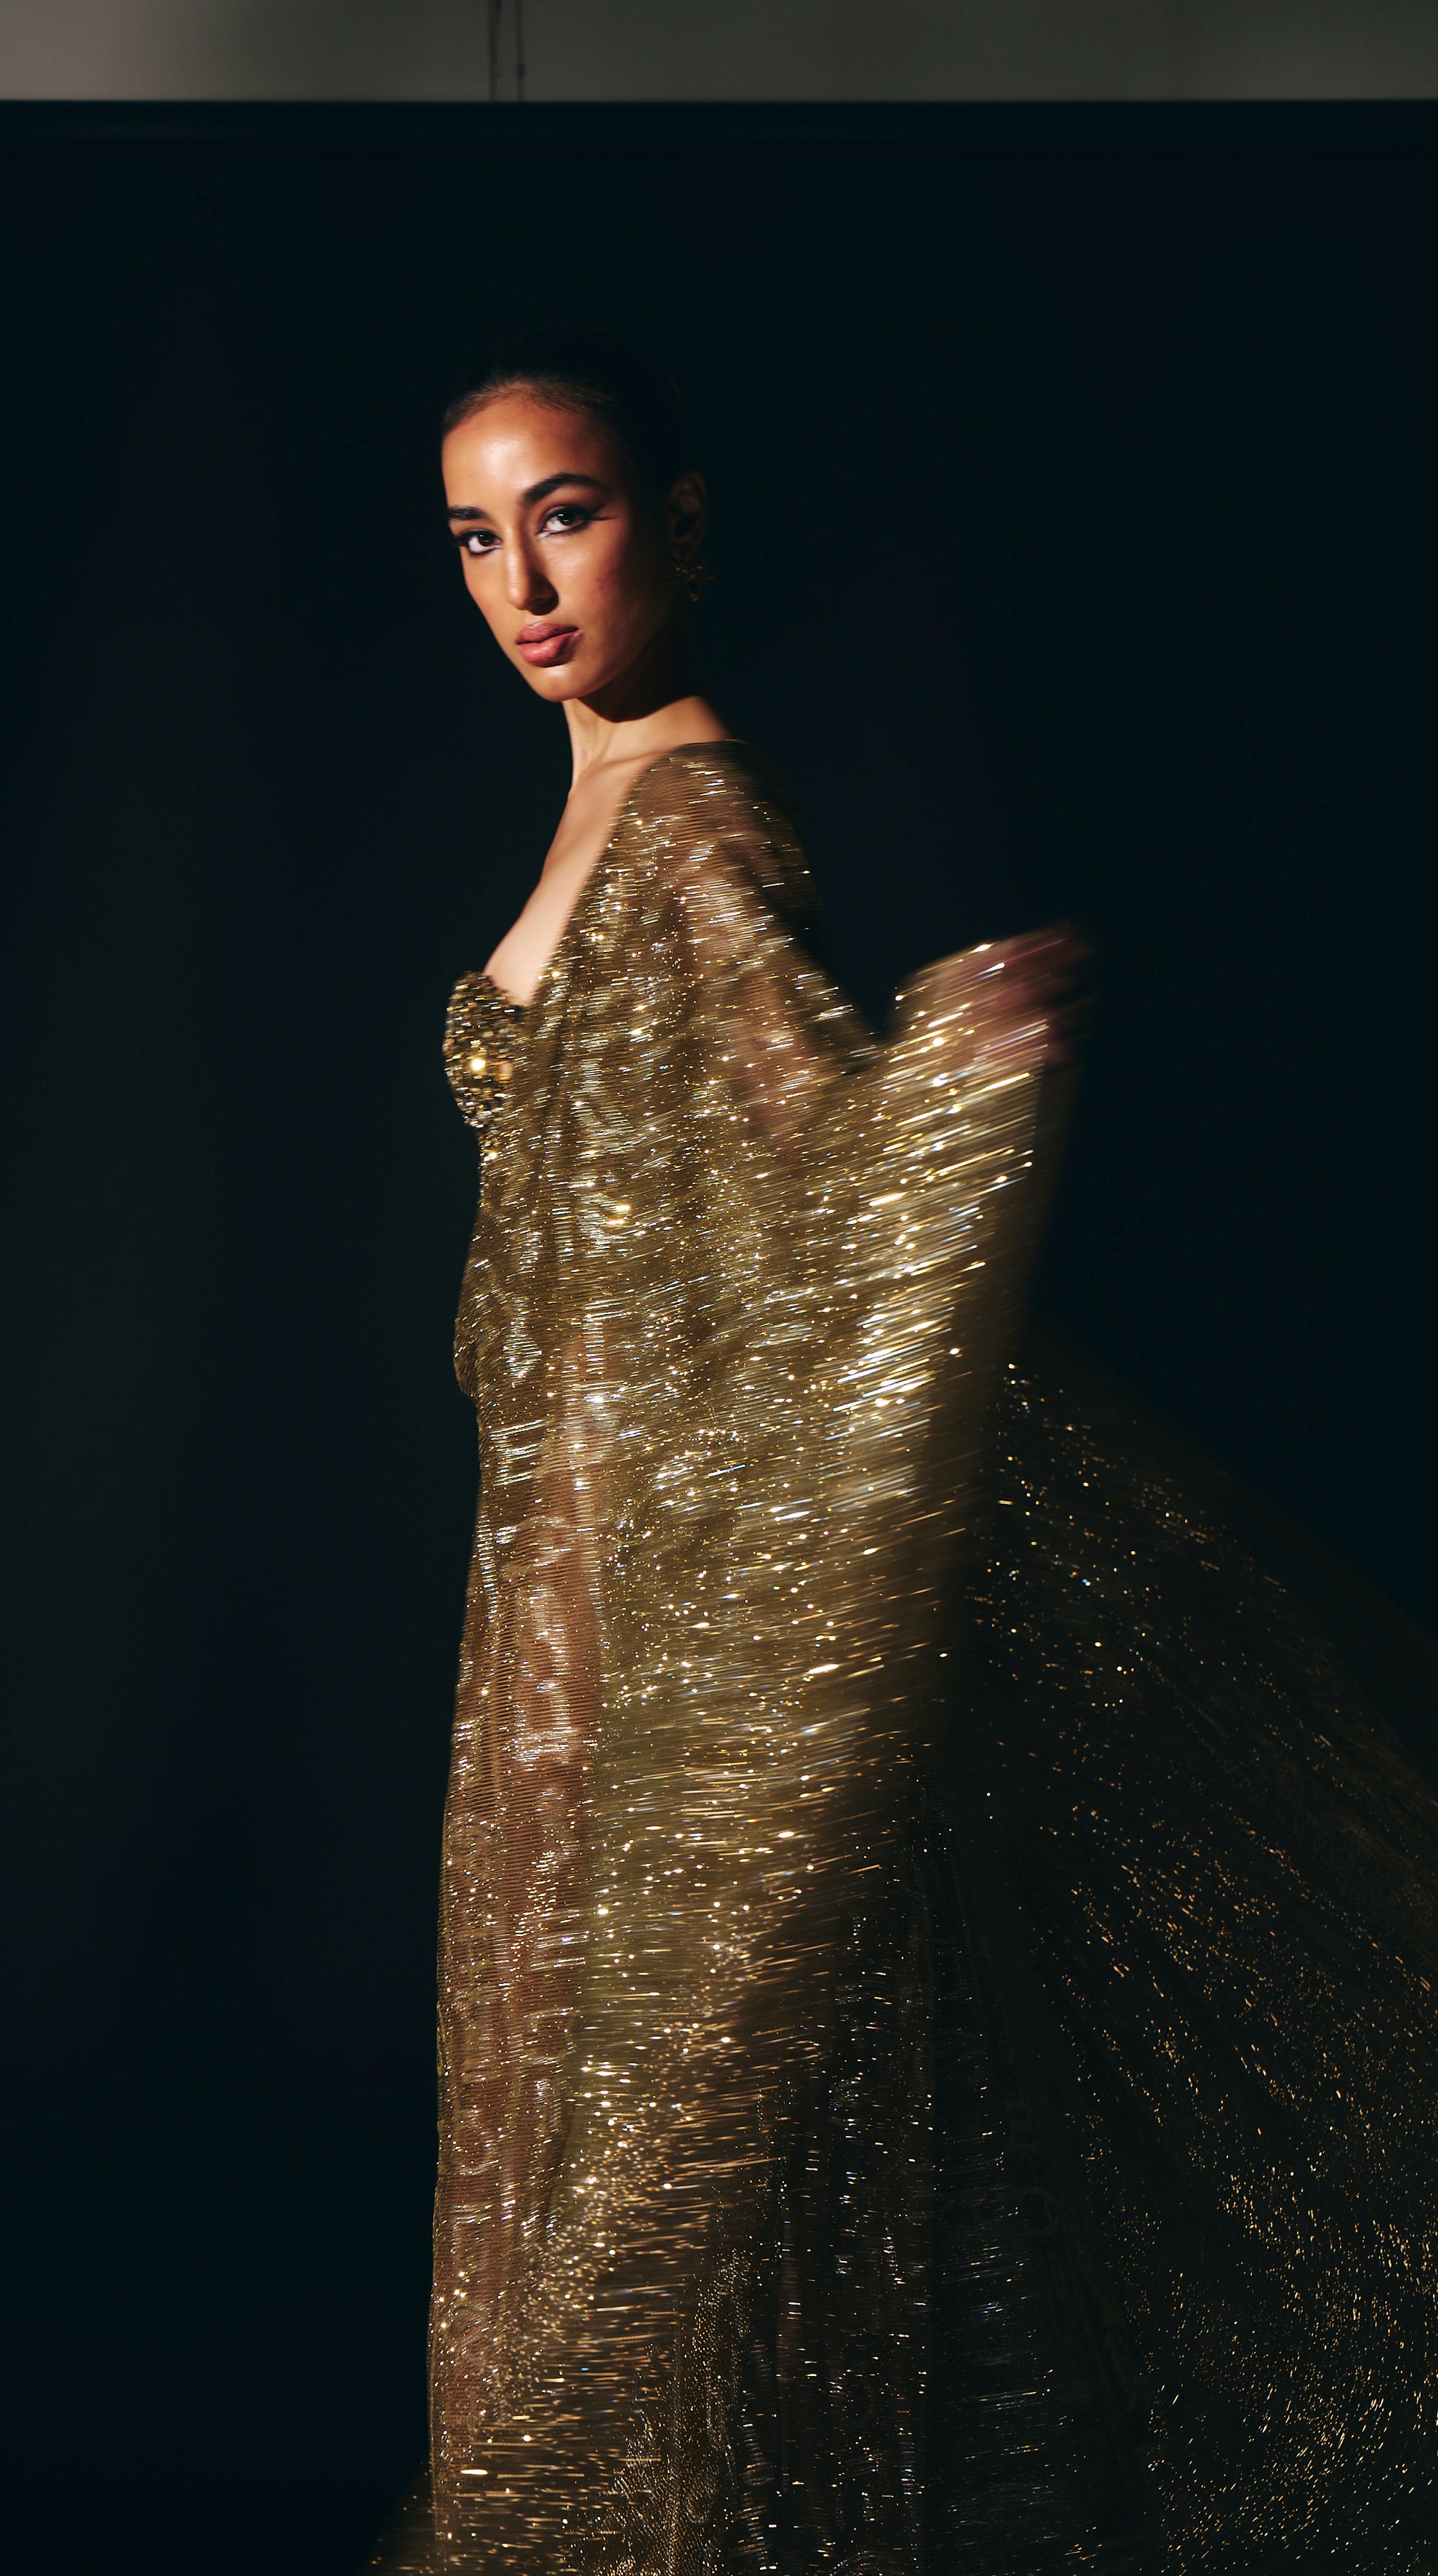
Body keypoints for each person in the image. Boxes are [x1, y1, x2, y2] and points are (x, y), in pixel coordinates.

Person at [383, 331, 1438, 2575]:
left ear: (676, 521)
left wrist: (954, 1086)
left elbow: (813, 1177)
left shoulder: (700, 820)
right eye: (476, 538)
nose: (521, 587)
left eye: (565, 516)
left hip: (664, 1563)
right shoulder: (596, 796)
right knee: (586, 2084)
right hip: (552, 1566)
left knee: (694, 2089)